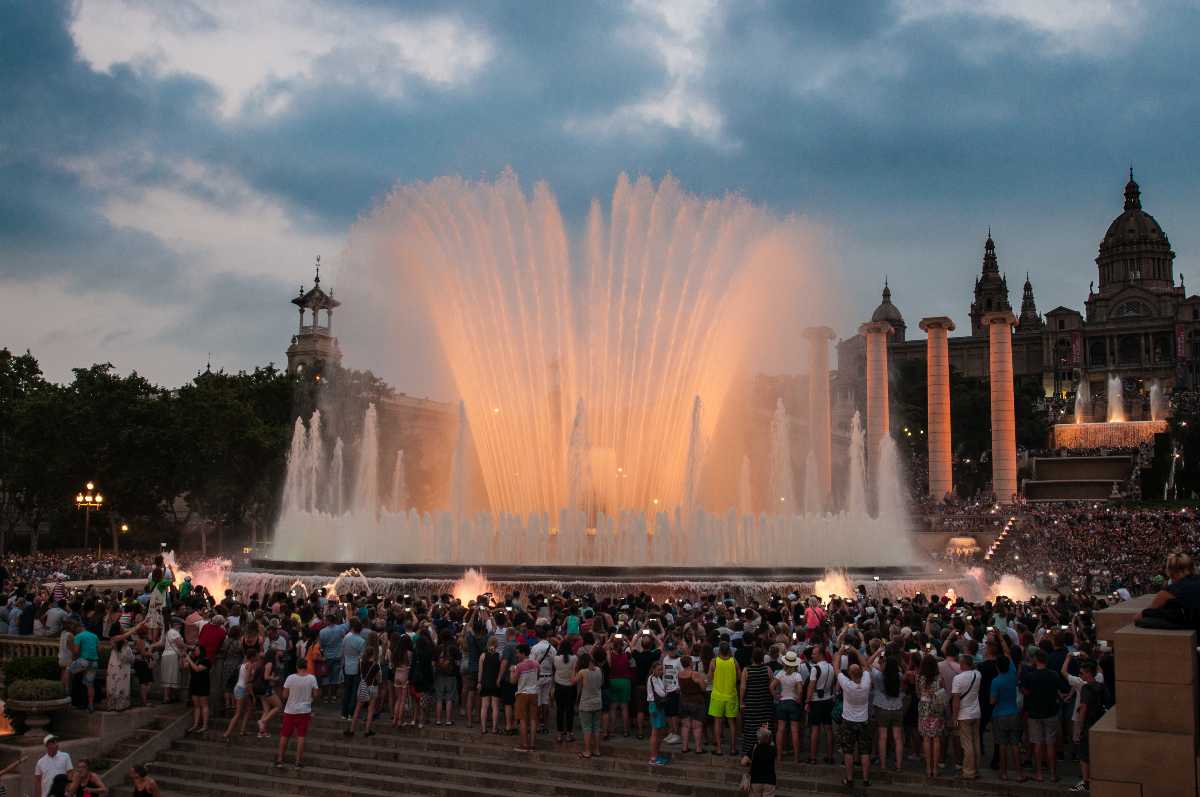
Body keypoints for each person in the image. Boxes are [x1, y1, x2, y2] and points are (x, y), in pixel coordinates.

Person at [1021, 648, 1068, 783]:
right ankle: (1053, 774)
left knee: (1037, 743)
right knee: (1050, 743)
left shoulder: (1030, 676)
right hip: (1050, 712)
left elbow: (1025, 691)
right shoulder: (1053, 675)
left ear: (1036, 660)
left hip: (1034, 713)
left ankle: (1039, 774)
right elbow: (1061, 688)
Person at [836, 646, 877, 789]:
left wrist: (840, 652)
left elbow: (836, 668)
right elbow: (866, 665)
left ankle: (849, 778)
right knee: (865, 751)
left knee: (848, 751)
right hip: (863, 720)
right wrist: (855, 651)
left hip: (848, 721)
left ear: (850, 674)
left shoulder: (847, 685)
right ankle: (866, 779)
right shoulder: (866, 682)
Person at [989, 637, 1024, 782]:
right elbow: (1008, 653)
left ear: (997, 667)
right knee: (1015, 744)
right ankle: (1018, 773)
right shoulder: (1012, 673)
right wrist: (1001, 639)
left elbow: (992, 701)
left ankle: (1003, 772)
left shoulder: (996, 681)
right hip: (1014, 712)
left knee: (1002, 744)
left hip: (999, 714)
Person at [276, 656, 319, 770]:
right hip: (304, 711)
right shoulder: (312, 678)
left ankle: (280, 759)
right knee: (301, 736)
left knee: (285, 735)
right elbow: (316, 694)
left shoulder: (290, 678)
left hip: (290, 710)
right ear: (306, 666)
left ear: (296, 667)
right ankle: (298, 762)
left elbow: (284, 695)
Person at [871, 651, 905, 772]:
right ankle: (899, 765)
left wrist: (878, 653)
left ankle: (883, 765)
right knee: (898, 738)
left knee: (882, 737)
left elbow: (868, 664)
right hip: (897, 708)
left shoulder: (878, 676)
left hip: (882, 707)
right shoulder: (900, 676)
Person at [739, 646, 775, 758]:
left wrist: (741, 702)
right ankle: (765, 752)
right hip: (765, 706)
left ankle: (749, 752)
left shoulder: (746, 670)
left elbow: (743, 687)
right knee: (764, 729)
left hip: (751, 705)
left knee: (750, 729)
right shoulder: (767, 669)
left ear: (752, 658)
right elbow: (771, 687)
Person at [951, 653, 982, 780]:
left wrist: (954, 717)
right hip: (976, 712)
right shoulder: (978, 674)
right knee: (976, 742)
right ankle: (976, 769)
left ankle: (968, 771)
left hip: (964, 715)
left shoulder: (958, 679)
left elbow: (956, 701)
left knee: (967, 744)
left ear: (963, 664)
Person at [707, 640, 739, 756]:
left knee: (717, 721)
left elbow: (709, 678)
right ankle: (733, 748)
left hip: (717, 696)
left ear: (719, 650)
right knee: (731, 722)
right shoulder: (734, 661)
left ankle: (719, 748)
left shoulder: (714, 661)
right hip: (731, 695)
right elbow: (739, 676)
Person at [805, 645, 835, 765]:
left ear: (821, 654)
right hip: (828, 699)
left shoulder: (815, 669)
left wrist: (807, 701)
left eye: (814, 653)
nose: (812, 655)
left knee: (815, 729)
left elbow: (811, 686)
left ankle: (812, 757)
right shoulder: (831, 667)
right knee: (828, 728)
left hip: (816, 700)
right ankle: (829, 755)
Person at [917, 653, 945, 778]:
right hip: (936, 708)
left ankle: (928, 768)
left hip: (924, 707)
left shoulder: (920, 677)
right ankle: (935, 768)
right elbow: (942, 691)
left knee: (926, 738)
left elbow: (918, 693)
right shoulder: (939, 677)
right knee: (937, 738)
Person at [104, 623, 142, 712]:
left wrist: (140, 624)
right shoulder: (115, 638)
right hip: (120, 663)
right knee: (119, 682)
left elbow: (130, 629)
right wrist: (137, 627)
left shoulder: (117, 638)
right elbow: (128, 633)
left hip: (115, 662)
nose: (122, 628)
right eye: (120, 626)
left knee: (116, 682)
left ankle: (114, 704)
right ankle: (119, 705)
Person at [222, 648, 258, 741]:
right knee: (238, 713)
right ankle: (227, 733)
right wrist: (251, 694)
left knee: (248, 709)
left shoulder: (242, 665)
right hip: (243, 689)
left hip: (238, 687)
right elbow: (247, 680)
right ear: (253, 657)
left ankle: (242, 730)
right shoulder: (249, 665)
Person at [510, 643, 540, 753]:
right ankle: (532, 745)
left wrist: (512, 671)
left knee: (522, 719)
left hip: (522, 693)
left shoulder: (519, 666)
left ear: (522, 653)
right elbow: (537, 676)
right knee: (533, 720)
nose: (517, 655)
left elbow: (513, 681)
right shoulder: (536, 664)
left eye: (518, 653)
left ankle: (524, 744)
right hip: (534, 693)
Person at [574, 651, 604, 759]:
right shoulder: (599, 670)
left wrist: (574, 669)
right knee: (596, 728)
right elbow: (601, 683)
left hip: (586, 703)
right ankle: (596, 750)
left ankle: (587, 751)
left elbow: (573, 681)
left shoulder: (582, 672)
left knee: (587, 728)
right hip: (597, 702)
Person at [347, 646, 381, 737]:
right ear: (373, 654)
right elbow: (378, 678)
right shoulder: (376, 665)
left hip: (363, 686)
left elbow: (360, 673)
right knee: (370, 709)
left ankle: (352, 729)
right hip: (373, 687)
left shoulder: (361, 662)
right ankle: (367, 730)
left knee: (358, 709)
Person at [677, 655, 707, 754]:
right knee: (697, 726)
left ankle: (684, 747)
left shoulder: (680, 674)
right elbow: (703, 688)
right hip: (696, 701)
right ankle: (698, 749)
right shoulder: (695, 674)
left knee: (685, 725)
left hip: (684, 701)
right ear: (690, 663)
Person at [68, 621, 100, 712]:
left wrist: (73, 656)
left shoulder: (78, 636)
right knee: (90, 685)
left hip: (83, 661)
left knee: (67, 671)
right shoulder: (94, 636)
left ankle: (67, 696)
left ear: (78, 628)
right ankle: (90, 705)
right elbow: (98, 650)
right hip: (94, 662)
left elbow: (76, 651)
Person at [339, 617, 366, 721]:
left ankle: (344, 713)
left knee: (347, 690)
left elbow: (342, 652)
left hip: (347, 665)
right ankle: (351, 713)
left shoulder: (346, 638)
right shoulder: (362, 641)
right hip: (356, 667)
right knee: (355, 691)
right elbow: (362, 657)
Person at [741, 724, 777, 797]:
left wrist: (751, 762)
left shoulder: (754, 748)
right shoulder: (773, 749)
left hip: (755, 780)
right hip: (770, 781)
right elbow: (771, 742)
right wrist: (768, 732)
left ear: (758, 738)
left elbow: (743, 762)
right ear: (769, 738)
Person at [551, 640, 577, 743]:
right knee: (570, 710)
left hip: (559, 686)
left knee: (560, 710)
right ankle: (569, 733)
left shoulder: (556, 658)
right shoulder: (574, 658)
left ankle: (559, 733)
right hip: (570, 687)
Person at [646, 660, 670, 766]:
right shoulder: (652, 679)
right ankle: (653, 757)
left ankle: (657, 755)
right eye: (659, 669)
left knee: (659, 732)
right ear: (654, 669)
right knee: (655, 732)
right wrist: (665, 692)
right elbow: (662, 692)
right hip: (655, 706)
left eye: (662, 669)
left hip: (659, 706)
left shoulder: (658, 678)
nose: (661, 671)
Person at [183, 646, 211, 734]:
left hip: (203, 684)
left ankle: (205, 725)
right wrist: (185, 657)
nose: (194, 651)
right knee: (196, 706)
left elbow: (197, 669)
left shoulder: (206, 660)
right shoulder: (194, 659)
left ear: (201, 651)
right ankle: (195, 724)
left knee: (204, 705)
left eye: (196, 650)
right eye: (194, 650)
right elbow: (184, 666)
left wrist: (189, 659)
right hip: (194, 684)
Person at [477, 635, 502, 734]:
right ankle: (494, 728)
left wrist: (479, 682)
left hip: (485, 683)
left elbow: (480, 671)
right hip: (495, 683)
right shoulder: (499, 656)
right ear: (496, 644)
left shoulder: (483, 656)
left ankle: (483, 728)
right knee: (495, 706)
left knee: (484, 706)